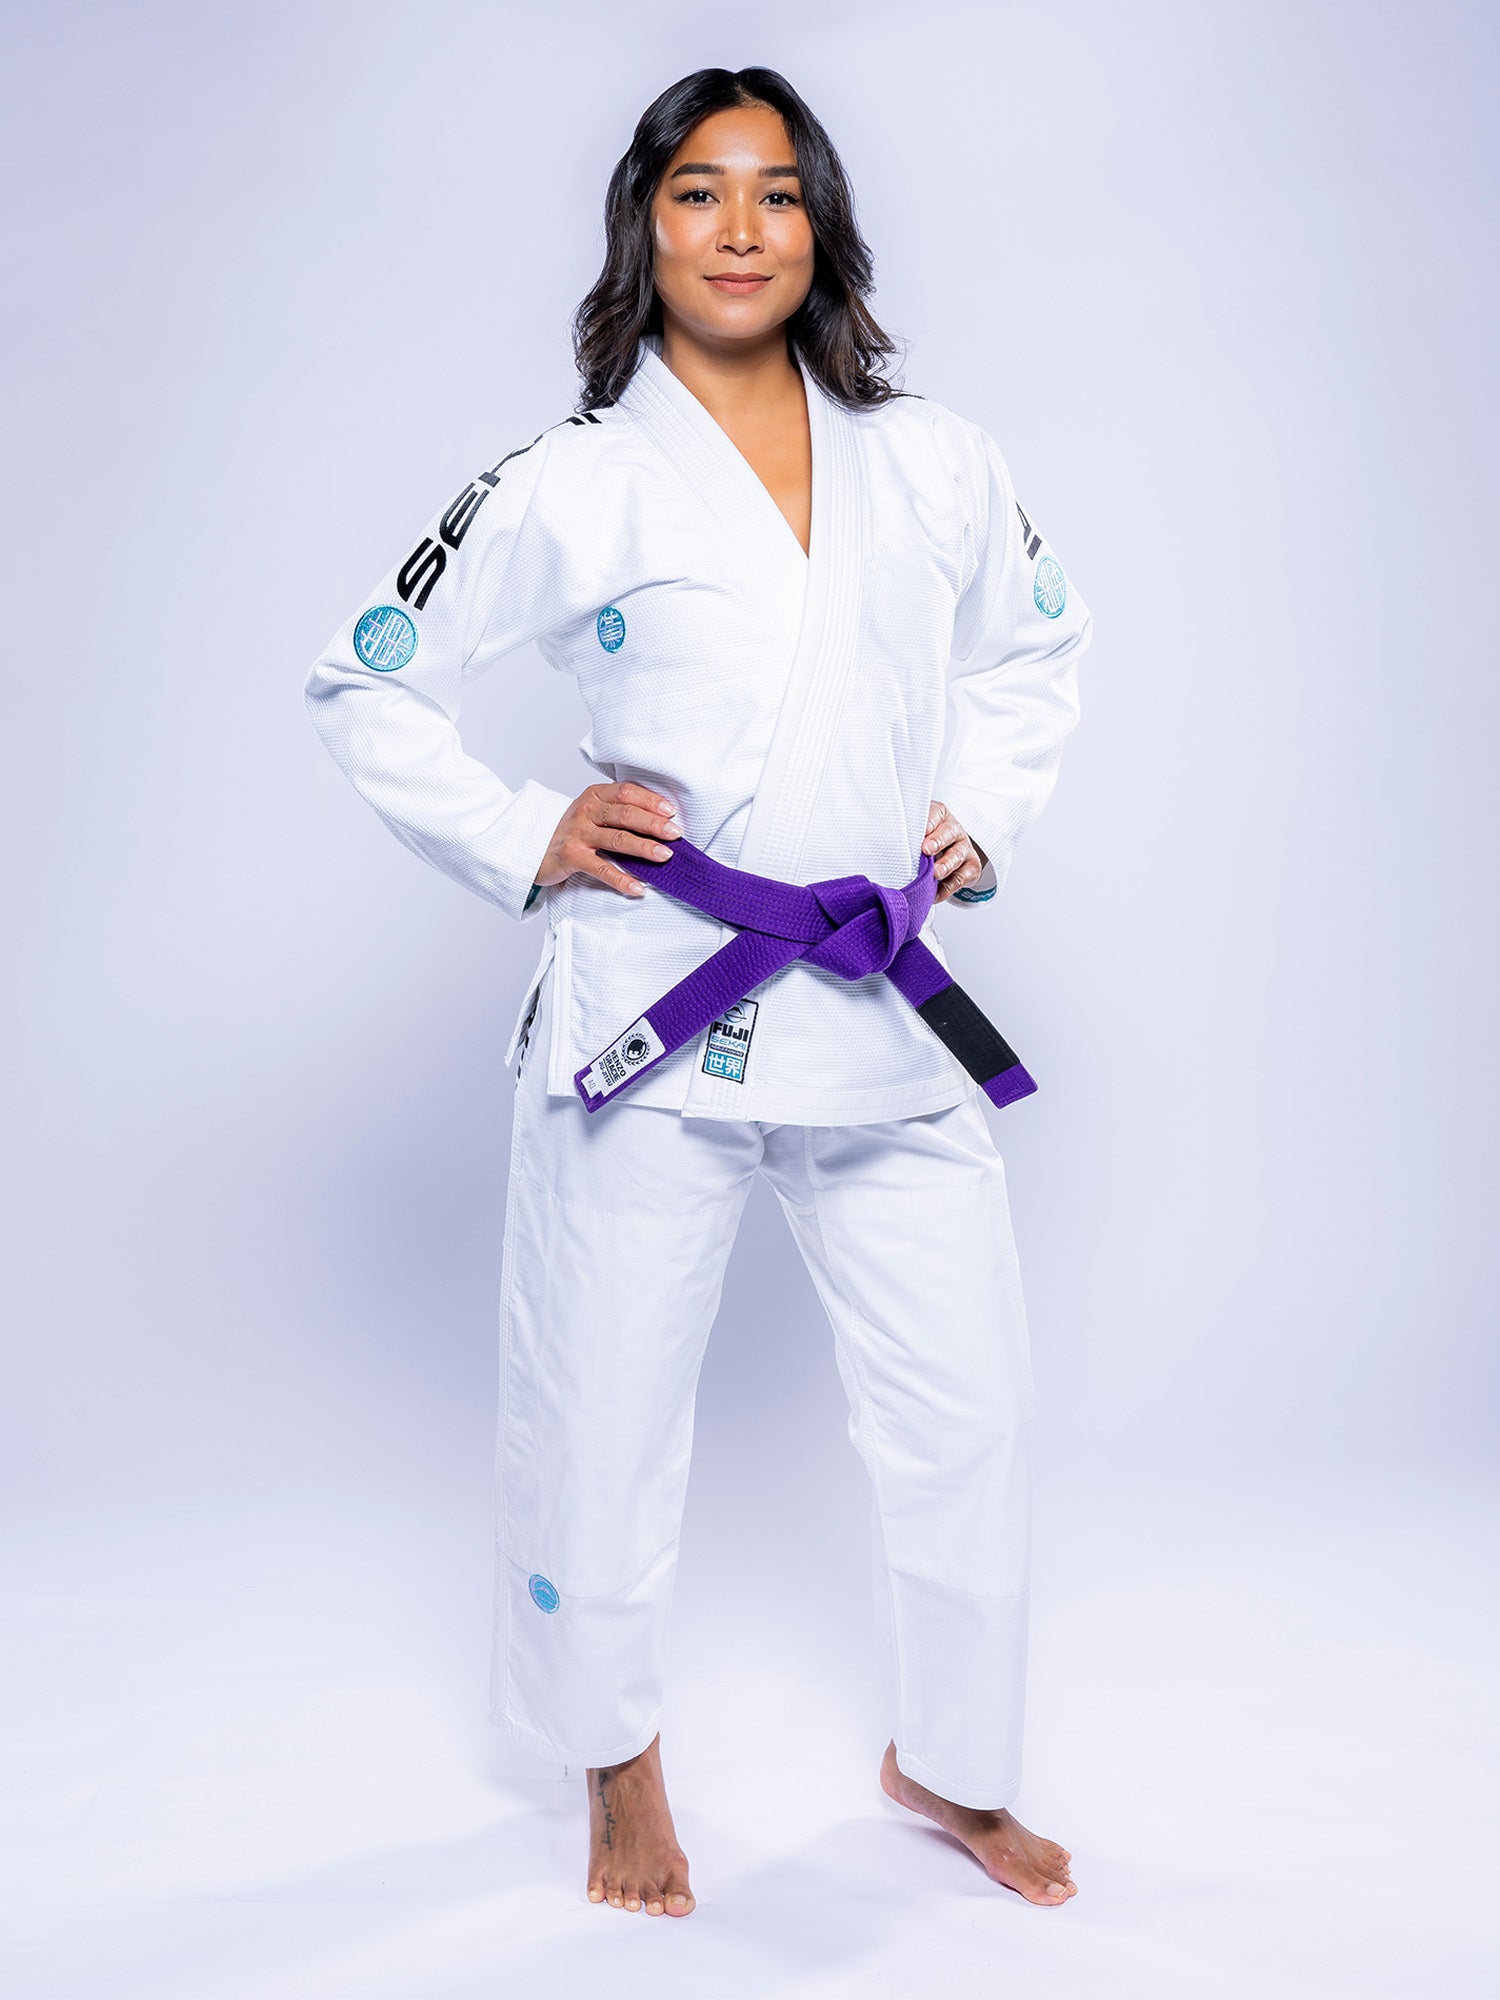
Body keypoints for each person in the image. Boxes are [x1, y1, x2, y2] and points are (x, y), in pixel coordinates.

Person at [305, 65, 1091, 1920]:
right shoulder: (571, 478)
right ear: (642, 226)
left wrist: (976, 812)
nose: (738, 230)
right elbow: (364, 679)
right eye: (695, 192)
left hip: (881, 1002)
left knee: (969, 1408)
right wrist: (527, 830)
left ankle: (954, 1767)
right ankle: (617, 1765)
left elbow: (1040, 649)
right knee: (600, 1404)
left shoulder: (939, 457)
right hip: (651, 1009)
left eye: (775, 194)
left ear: (821, 225)